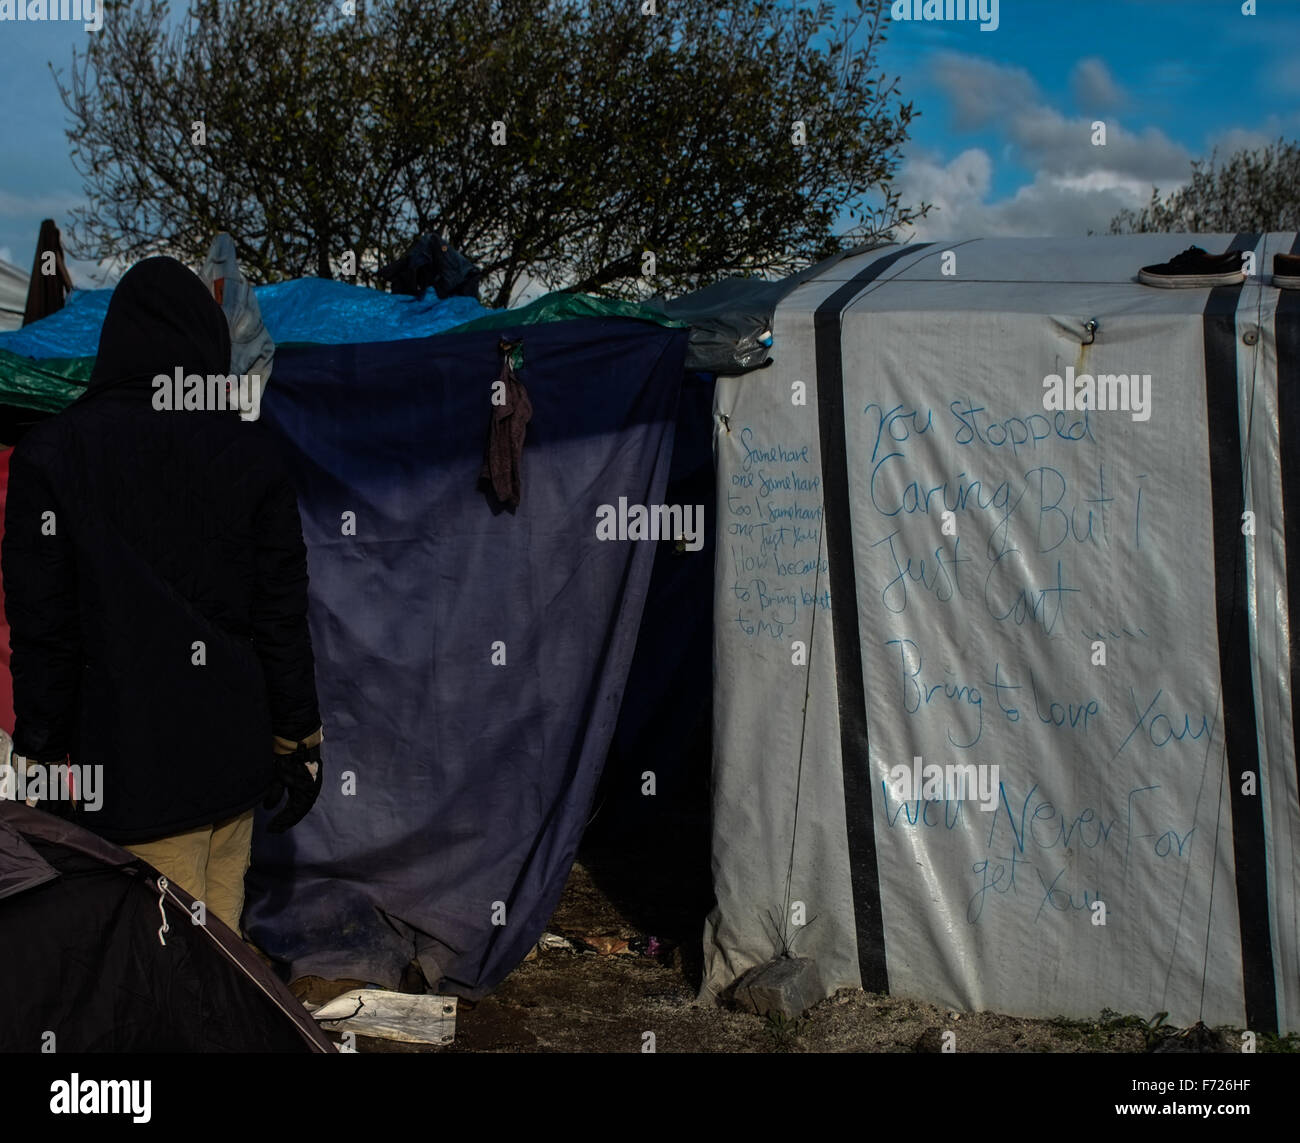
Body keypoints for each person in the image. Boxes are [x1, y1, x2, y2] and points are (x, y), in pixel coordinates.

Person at [2, 256, 323, 934]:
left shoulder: (52, 455)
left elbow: (45, 635)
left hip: (131, 773)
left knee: (154, 980)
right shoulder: (253, 454)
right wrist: (300, 741)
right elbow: (282, 619)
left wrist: (36, 758)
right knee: (219, 963)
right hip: (233, 767)